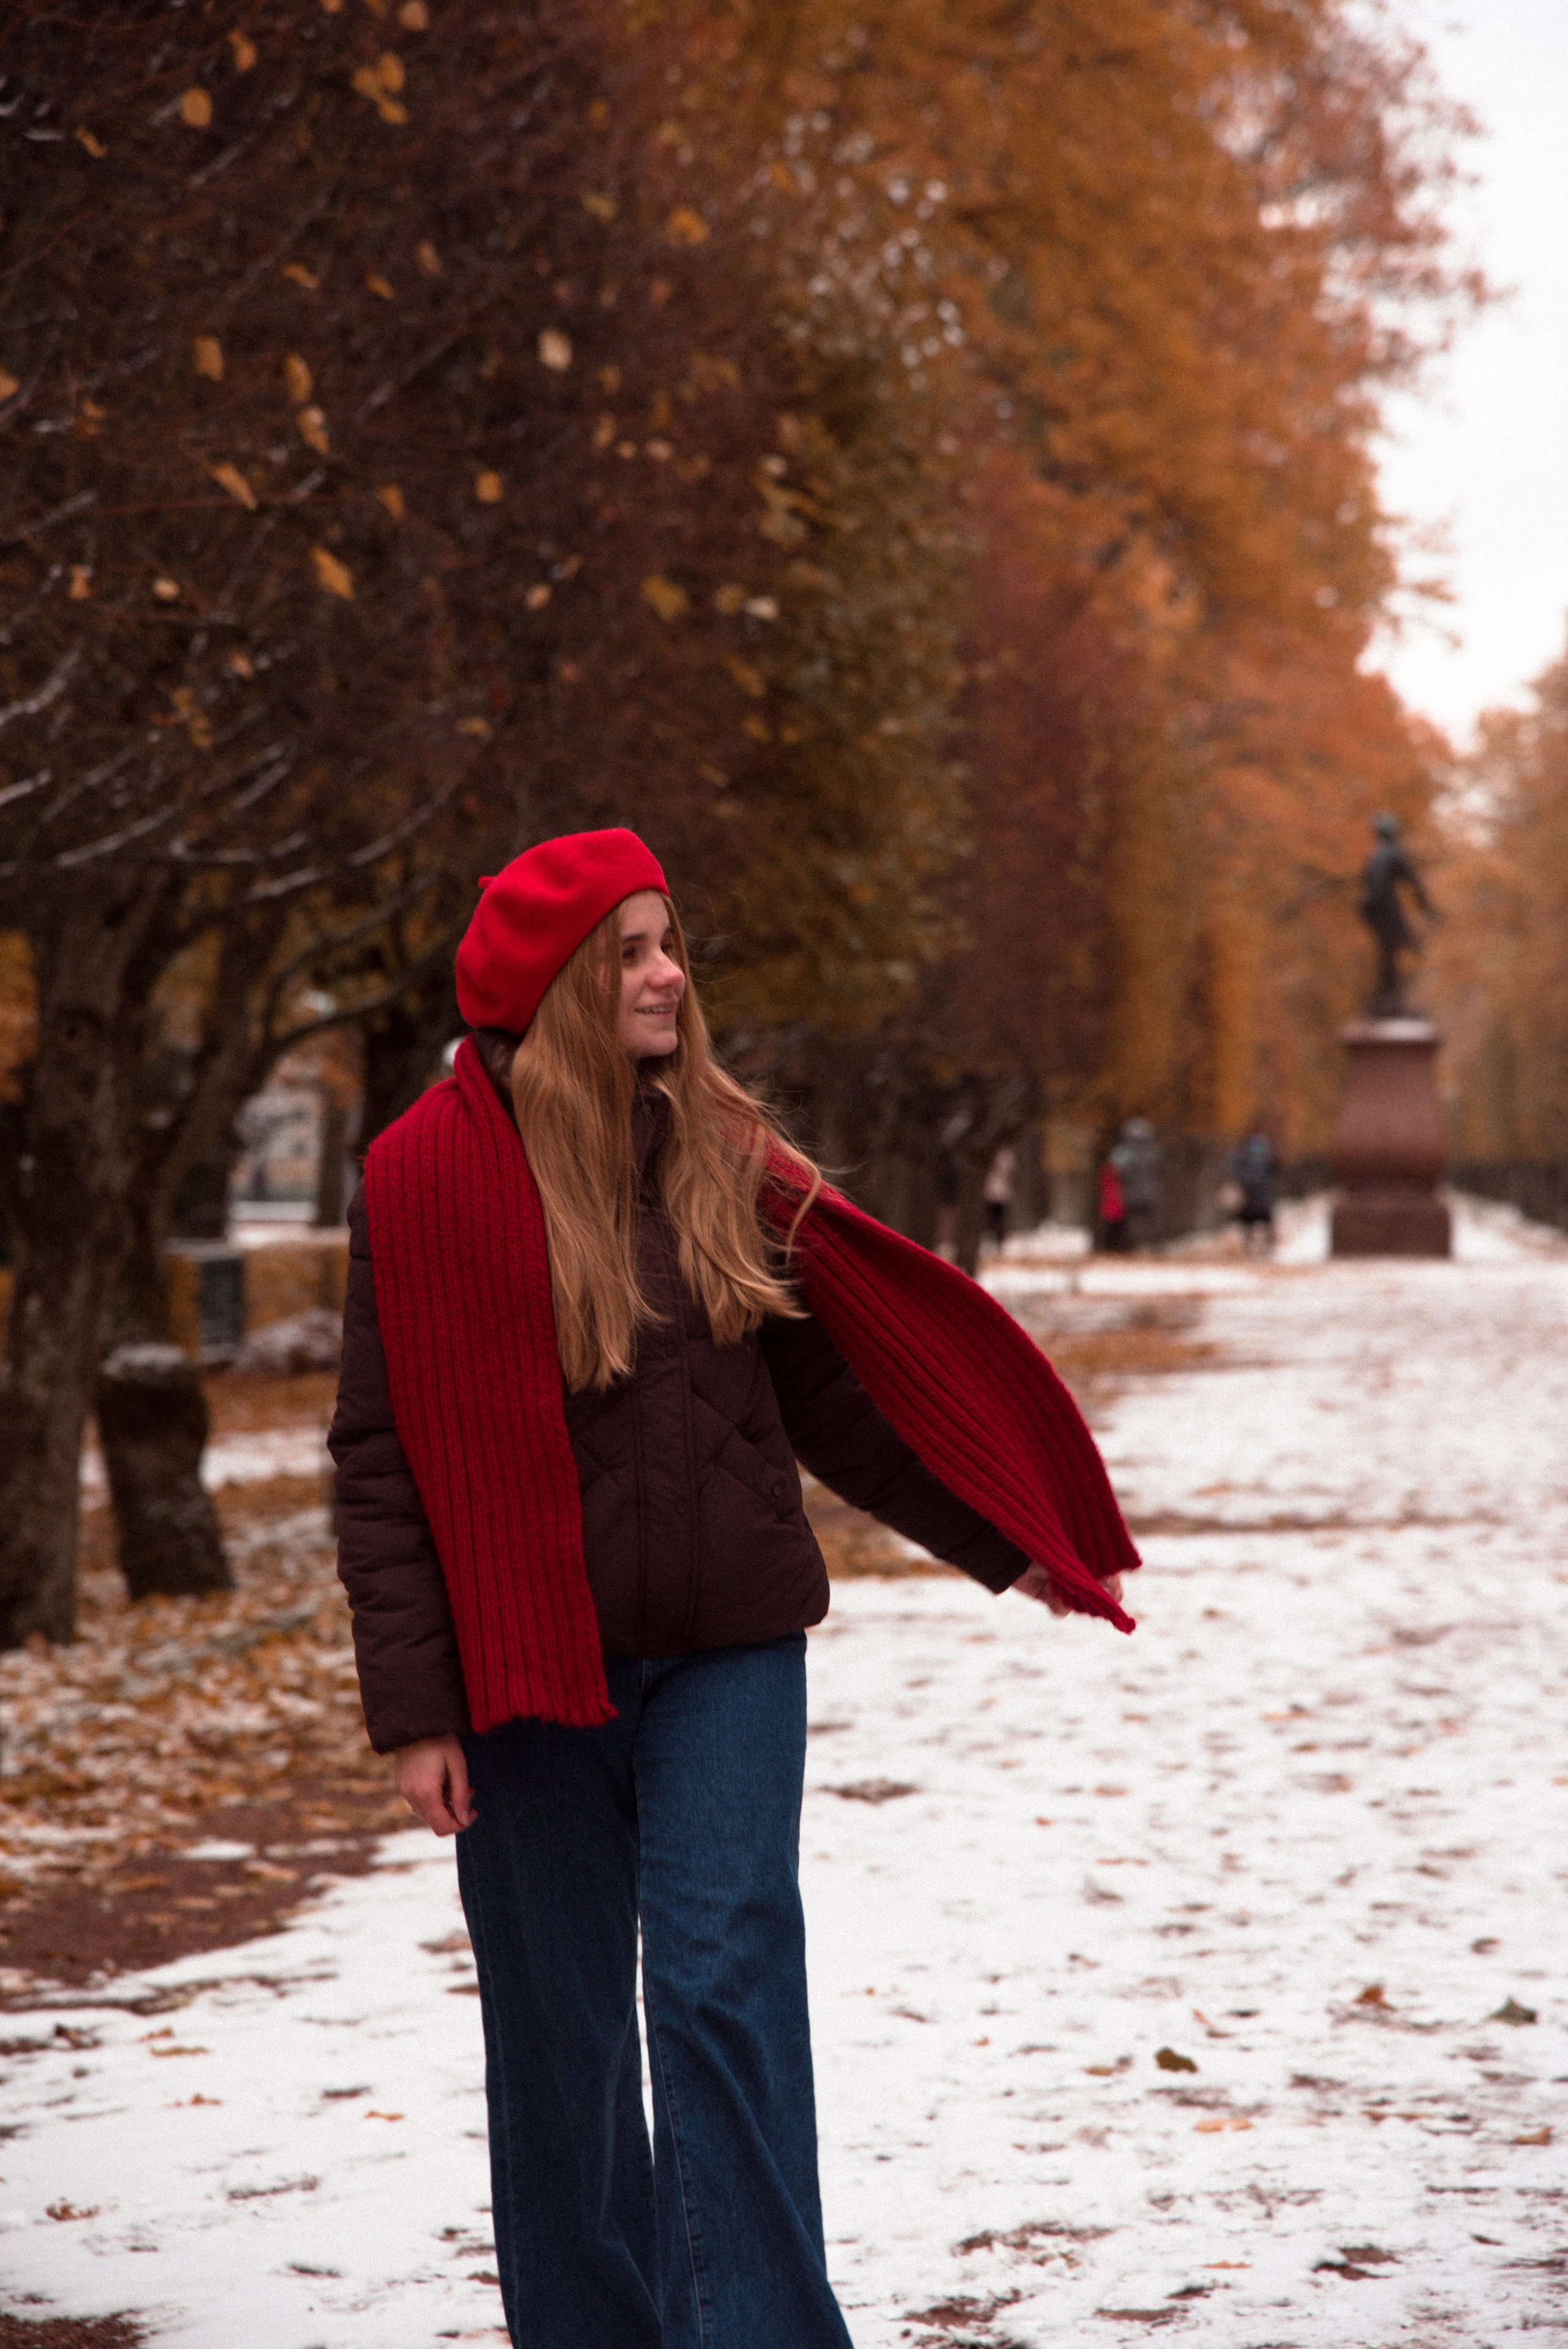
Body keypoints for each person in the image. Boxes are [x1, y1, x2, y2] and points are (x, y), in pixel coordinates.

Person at [328, 829, 1136, 2349]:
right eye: (630, 947)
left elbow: (830, 1390)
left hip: (728, 1653)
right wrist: (413, 1707)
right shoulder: (414, 1182)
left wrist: (996, 1533)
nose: (665, 972)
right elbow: (380, 1458)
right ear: (561, 980)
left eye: (667, 939)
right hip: (520, 1672)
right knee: (561, 2037)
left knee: (718, 1983)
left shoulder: (720, 1150)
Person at [1229, 1128, 1278, 1255]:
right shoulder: (1266, 1159)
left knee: (1251, 1227)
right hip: (1260, 1201)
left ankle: (1253, 1249)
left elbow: (1236, 1173)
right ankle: (1261, 1249)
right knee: (1262, 1225)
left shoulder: (1242, 1159)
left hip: (1250, 1201)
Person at [982, 1142, 1017, 1253]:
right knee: (994, 1219)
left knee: (996, 1219)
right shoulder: (1005, 1155)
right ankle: (994, 1241)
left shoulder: (1003, 1155)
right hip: (994, 1193)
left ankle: (997, 1241)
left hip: (996, 1193)